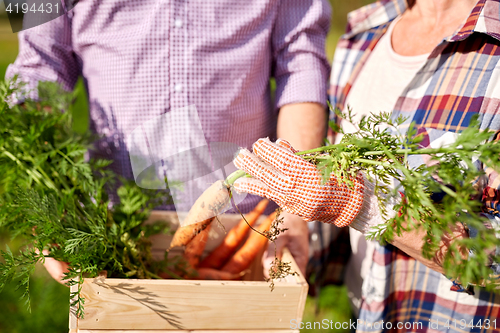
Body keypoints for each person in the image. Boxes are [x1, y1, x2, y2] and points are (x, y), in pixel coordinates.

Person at [6, 0, 332, 282]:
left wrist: (294, 210)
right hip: (110, 233)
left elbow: (301, 60)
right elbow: (36, 68)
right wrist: (46, 207)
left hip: (249, 230)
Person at [233, 0, 500, 331]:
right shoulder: (364, 32)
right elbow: (332, 180)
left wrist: (356, 203)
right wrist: (299, 225)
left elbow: (494, 259)